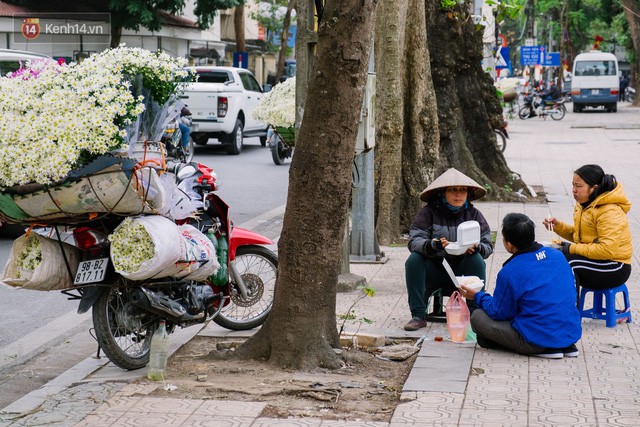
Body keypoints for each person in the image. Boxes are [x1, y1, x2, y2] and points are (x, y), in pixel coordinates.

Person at [459, 213, 582, 359]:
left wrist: (477, 295)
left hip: (536, 339)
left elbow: (498, 312)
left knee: (478, 317)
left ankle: (544, 348)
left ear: (509, 244)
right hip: (570, 333)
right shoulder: (557, 255)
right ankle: (563, 345)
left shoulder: (510, 271)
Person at [403, 168, 493, 331]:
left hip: (463, 273)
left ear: (468, 193)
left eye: (462, 190)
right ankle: (418, 315)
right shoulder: (428, 213)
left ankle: (475, 314)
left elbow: (488, 244)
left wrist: (478, 248)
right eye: (453, 190)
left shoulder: (474, 215)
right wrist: (431, 245)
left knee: (477, 259)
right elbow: (414, 240)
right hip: (435, 269)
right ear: (442, 193)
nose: (458, 194)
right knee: (414, 260)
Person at [543, 164, 632, 291]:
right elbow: (579, 235)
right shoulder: (583, 204)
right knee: (553, 257)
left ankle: (567, 309)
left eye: (578, 186)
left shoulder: (609, 211)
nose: (574, 190)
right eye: (573, 184)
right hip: (596, 259)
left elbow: (606, 250)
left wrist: (571, 248)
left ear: (594, 188)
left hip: (614, 266)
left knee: (568, 264)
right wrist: (558, 226)